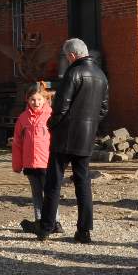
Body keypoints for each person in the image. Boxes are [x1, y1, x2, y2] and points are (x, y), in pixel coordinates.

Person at [39, 38, 109, 244]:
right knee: (83, 182)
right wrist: (90, 125)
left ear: (71, 55)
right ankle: (84, 231)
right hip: (86, 137)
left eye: (66, 56)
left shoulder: (73, 73)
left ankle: (46, 226)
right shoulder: (101, 75)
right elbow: (103, 109)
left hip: (64, 136)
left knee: (54, 181)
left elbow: (61, 106)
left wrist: (51, 124)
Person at [11, 83, 53, 234]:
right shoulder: (23, 118)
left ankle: (54, 221)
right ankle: (39, 220)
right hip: (29, 164)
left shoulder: (51, 116)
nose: (36, 103)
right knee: (36, 194)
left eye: (39, 99)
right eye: (32, 100)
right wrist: (17, 165)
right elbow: (17, 143)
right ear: (27, 100)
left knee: (50, 193)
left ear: (45, 99)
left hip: (46, 163)